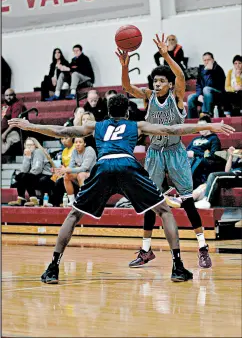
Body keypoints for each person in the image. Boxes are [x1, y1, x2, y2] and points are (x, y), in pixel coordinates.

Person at [9, 95, 234, 284]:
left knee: (74, 215)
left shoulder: (95, 125)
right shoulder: (136, 125)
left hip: (104, 165)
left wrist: (32, 127)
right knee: (164, 211)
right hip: (127, 165)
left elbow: (62, 132)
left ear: (107, 112)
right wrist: (207, 125)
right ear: (126, 113)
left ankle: (53, 267)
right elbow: (171, 128)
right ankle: (177, 267)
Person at [116, 34, 215, 269]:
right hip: (154, 154)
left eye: (161, 81)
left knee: (188, 201)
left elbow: (180, 75)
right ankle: (146, 251)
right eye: (155, 81)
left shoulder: (177, 96)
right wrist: (125, 67)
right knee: (151, 203)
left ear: (169, 84)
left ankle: (202, 247)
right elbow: (127, 87)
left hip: (175, 152)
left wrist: (166, 55)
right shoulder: (149, 96)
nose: (157, 84)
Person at [8, 137, 53, 207]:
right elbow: (24, 170)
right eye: (27, 145)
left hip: (45, 175)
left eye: (31, 145)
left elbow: (38, 168)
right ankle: (21, 199)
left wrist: (26, 176)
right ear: (25, 145)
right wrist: (27, 157)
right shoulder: (28, 153)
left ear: (35, 145)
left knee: (26, 177)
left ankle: (34, 200)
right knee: (20, 175)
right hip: (35, 175)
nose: (29, 146)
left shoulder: (38, 151)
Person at [186, 115, 221, 189]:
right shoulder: (195, 139)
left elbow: (213, 157)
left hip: (201, 162)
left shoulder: (214, 139)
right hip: (188, 160)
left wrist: (195, 154)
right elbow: (186, 151)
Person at [187, 52, 226, 118]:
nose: (206, 62)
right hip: (205, 94)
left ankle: (206, 114)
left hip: (217, 94)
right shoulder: (201, 69)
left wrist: (211, 70)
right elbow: (198, 84)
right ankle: (192, 119)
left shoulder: (218, 69)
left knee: (206, 89)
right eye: (205, 60)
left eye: (208, 60)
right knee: (190, 97)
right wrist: (199, 94)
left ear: (213, 60)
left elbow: (218, 85)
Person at [62, 137, 96, 206]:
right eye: (76, 142)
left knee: (81, 175)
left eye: (80, 142)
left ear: (85, 144)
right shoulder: (74, 151)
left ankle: (84, 200)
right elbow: (71, 166)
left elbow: (84, 168)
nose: (77, 144)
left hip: (93, 174)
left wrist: (69, 169)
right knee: (66, 175)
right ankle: (72, 201)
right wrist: (63, 170)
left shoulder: (89, 150)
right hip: (82, 173)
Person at [2, 88, 27, 156]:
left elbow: (14, 123)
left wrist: (4, 134)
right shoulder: (10, 105)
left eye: (10, 95)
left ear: (15, 95)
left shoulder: (17, 105)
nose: (8, 97)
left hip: (14, 131)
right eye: (6, 95)